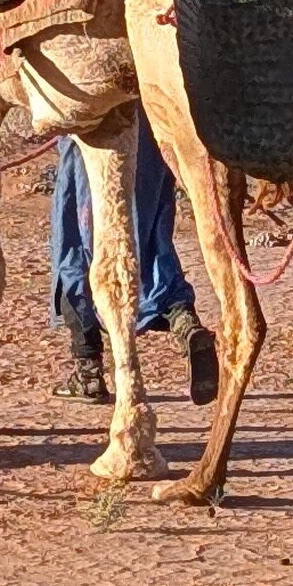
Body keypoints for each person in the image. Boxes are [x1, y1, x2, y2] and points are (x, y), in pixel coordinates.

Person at [50, 128, 218, 406]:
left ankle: (88, 370)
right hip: (149, 133)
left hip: (88, 134)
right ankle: (185, 323)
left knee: (76, 246)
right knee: (152, 239)